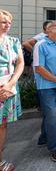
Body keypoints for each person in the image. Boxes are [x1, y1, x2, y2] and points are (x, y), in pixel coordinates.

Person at [33, 21, 56, 162]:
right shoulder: (40, 45)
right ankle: (54, 147)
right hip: (46, 87)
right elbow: (39, 69)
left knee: (50, 115)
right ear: (47, 31)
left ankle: (44, 137)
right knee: (52, 116)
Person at [0, 10, 24, 171]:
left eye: (9, 22)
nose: (7, 25)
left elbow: (20, 64)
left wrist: (10, 84)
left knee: (2, 125)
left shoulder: (14, 41)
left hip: (8, 87)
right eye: (3, 22)